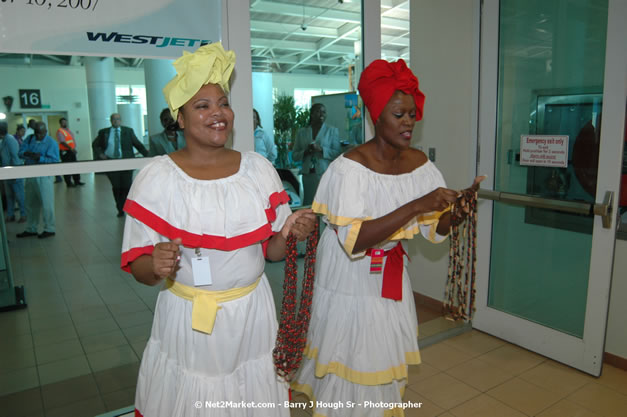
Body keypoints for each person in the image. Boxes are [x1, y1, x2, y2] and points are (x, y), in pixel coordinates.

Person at [120, 43, 316, 417]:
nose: (218, 113)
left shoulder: (257, 170)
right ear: (179, 118)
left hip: (252, 314)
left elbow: (271, 251)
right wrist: (156, 265)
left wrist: (290, 231)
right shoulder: (158, 179)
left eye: (223, 103)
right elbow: (140, 268)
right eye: (202, 105)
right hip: (192, 322)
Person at [291, 59, 483, 416]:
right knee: (352, 358)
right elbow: (356, 241)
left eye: (412, 113)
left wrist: (455, 215)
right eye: (399, 114)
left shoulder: (420, 165)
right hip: (349, 276)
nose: (409, 121)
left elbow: (433, 227)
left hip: (389, 274)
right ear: (376, 116)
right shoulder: (350, 168)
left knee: (381, 357)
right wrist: (417, 205)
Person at [92, 113, 148, 217]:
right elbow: (95, 145)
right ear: (110, 121)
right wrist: (100, 154)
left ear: (121, 120)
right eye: (114, 119)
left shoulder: (128, 131)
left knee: (127, 186)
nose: (116, 121)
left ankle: (126, 207)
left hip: (126, 163)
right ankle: (120, 207)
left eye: (118, 119)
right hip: (111, 163)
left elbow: (138, 145)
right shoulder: (104, 132)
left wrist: (149, 157)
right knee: (116, 187)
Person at [291, 103, 342, 205]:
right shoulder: (302, 132)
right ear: (312, 114)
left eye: (324, 112)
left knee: (325, 204)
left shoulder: (331, 131)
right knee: (309, 204)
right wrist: (305, 151)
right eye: (318, 111)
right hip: (308, 175)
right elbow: (294, 156)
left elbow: (337, 154)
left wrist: (321, 149)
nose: (321, 114)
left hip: (325, 173)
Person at [17, 122, 60, 239]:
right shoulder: (29, 139)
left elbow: (55, 161)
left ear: (45, 132)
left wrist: (40, 158)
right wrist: (28, 154)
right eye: (36, 133)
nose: (38, 136)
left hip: (44, 175)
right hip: (30, 174)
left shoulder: (51, 143)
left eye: (40, 133)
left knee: (47, 203)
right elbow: (20, 152)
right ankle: (31, 228)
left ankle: (49, 228)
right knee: (30, 203)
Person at [0, 122, 26, 223]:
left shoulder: (10, 140)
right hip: (7, 172)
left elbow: (15, 157)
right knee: (9, 195)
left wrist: (15, 172)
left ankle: (23, 215)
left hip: (14, 172)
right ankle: (10, 215)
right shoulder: (3, 141)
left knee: (19, 196)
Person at [56, 117, 85, 187]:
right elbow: (63, 142)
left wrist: (72, 149)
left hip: (71, 151)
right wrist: (71, 148)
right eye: (63, 122)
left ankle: (77, 181)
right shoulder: (60, 131)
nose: (64, 123)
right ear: (60, 123)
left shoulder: (68, 130)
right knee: (67, 168)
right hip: (65, 152)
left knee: (75, 166)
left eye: (65, 122)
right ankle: (69, 183)